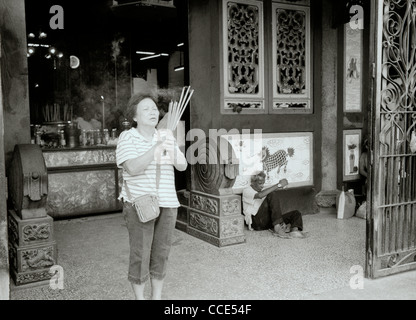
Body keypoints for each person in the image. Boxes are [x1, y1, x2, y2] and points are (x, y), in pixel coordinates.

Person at [116, 91, 187, 300]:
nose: (152, 112)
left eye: (154, 109)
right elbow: (133, 168)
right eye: (146, 109)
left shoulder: (165, 135)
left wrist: (169, 144)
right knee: (140, 254)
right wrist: (156, 148)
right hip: (140, 204)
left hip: (167, 202)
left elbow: (182, 166)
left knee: (161, 253)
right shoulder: (127, 137)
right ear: (135, 117)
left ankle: (156, 298)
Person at [242, 171, 305, 239]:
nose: (262, 185)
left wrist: (281, 221)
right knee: (272, 194)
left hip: (268, 222)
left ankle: (294, 231)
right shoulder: (247, 190)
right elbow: (260, 195)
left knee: (296, 213)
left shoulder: (263, 190)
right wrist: (278, 185)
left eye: (263, 183)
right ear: (253, 182)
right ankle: (277, 228)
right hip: (257, 222)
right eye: (260, 183)